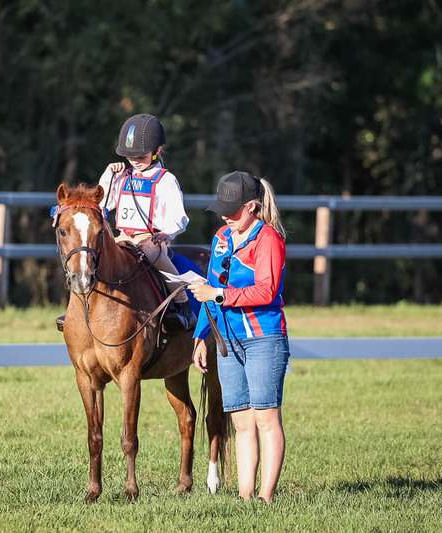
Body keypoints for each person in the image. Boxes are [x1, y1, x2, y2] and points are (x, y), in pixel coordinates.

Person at [188, 171, 290, 503]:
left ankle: (266, 497)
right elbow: (207, 291)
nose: (225, 216)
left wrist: (219, 295)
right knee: (242, 422)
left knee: (266, 419)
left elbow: (266, 290)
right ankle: (246, 499)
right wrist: (201, 337)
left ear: (252, 207)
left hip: (264, 339)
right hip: (227, 342)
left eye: (232, 211)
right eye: (222, 210)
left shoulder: (269, 240)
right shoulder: (220, 238)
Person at [98, 113, 195, 332]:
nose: (134, 161)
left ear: (156, 151)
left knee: (151, 254)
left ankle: (183, 305)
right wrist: (108, 175)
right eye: (130, 157)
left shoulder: (166, 181)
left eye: (140, 157)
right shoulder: (122, 176)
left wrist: (168, 234)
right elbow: (103, 204)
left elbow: (180, 217)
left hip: (151, 238)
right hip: (122, 236)